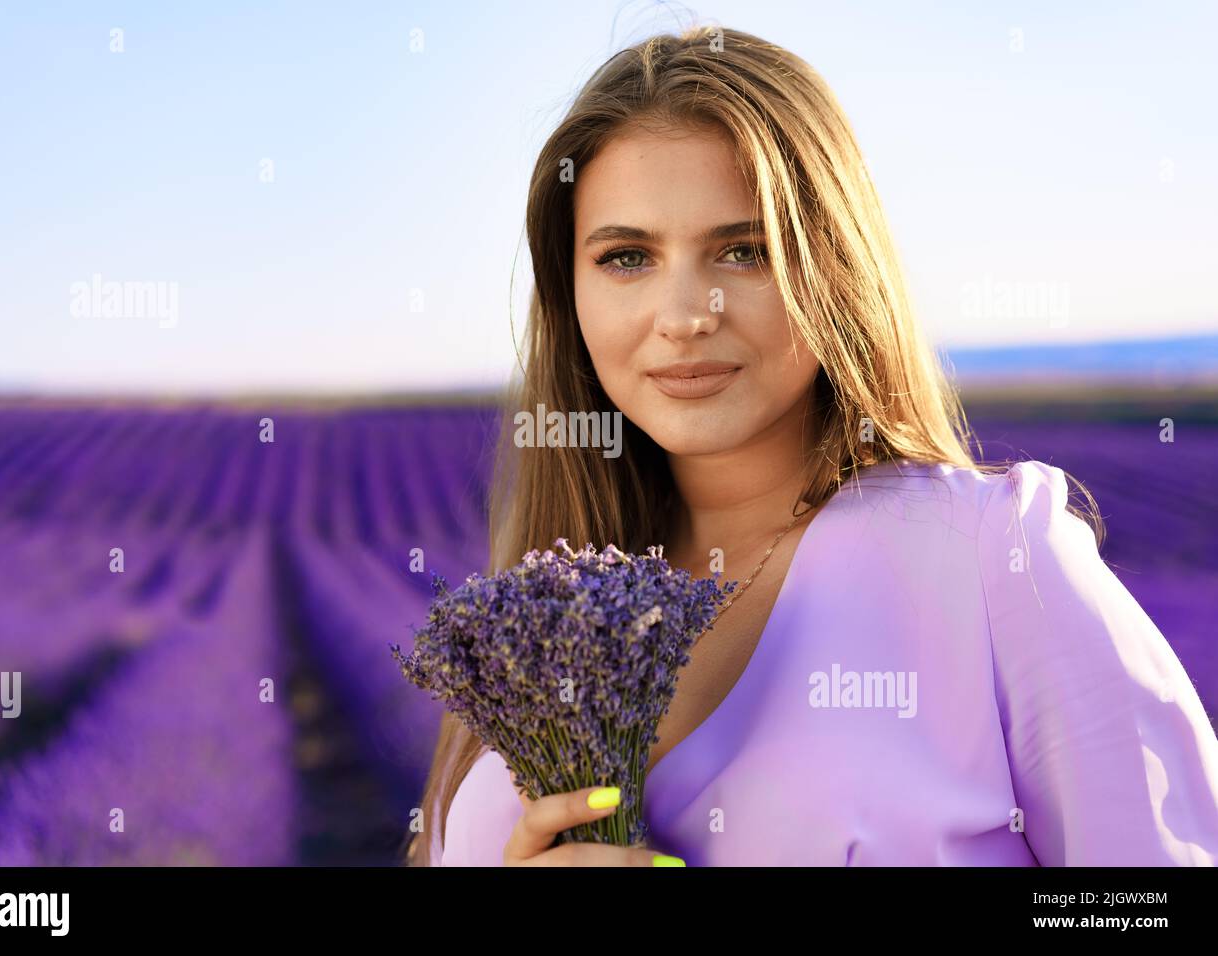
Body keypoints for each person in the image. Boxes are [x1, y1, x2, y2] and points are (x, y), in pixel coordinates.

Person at [405, 25, 1218, 866]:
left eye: (745, 250)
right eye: (626, 257)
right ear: (568, 291)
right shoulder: (533, 627)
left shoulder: (991, 558)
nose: (685, 315)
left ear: (834, 267)